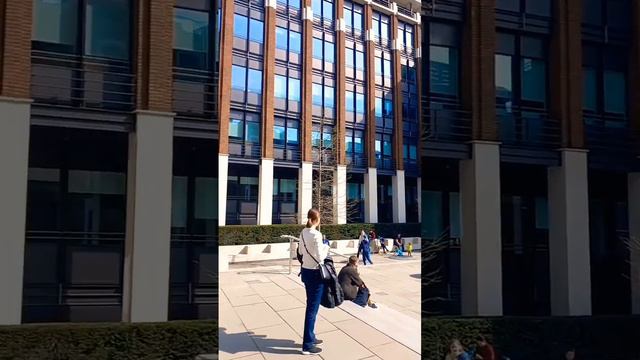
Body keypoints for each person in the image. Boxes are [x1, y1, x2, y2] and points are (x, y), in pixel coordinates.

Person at [298, 208, 330, 355]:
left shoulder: (303, 232)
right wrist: (327, 245)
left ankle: (311, 336)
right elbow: (320, 257)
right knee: (312, 309)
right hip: (316, 274)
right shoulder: (317, 234)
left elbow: (300, 252)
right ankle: (307, 345)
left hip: (306, 271)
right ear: (317, 220)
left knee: (311, 306)